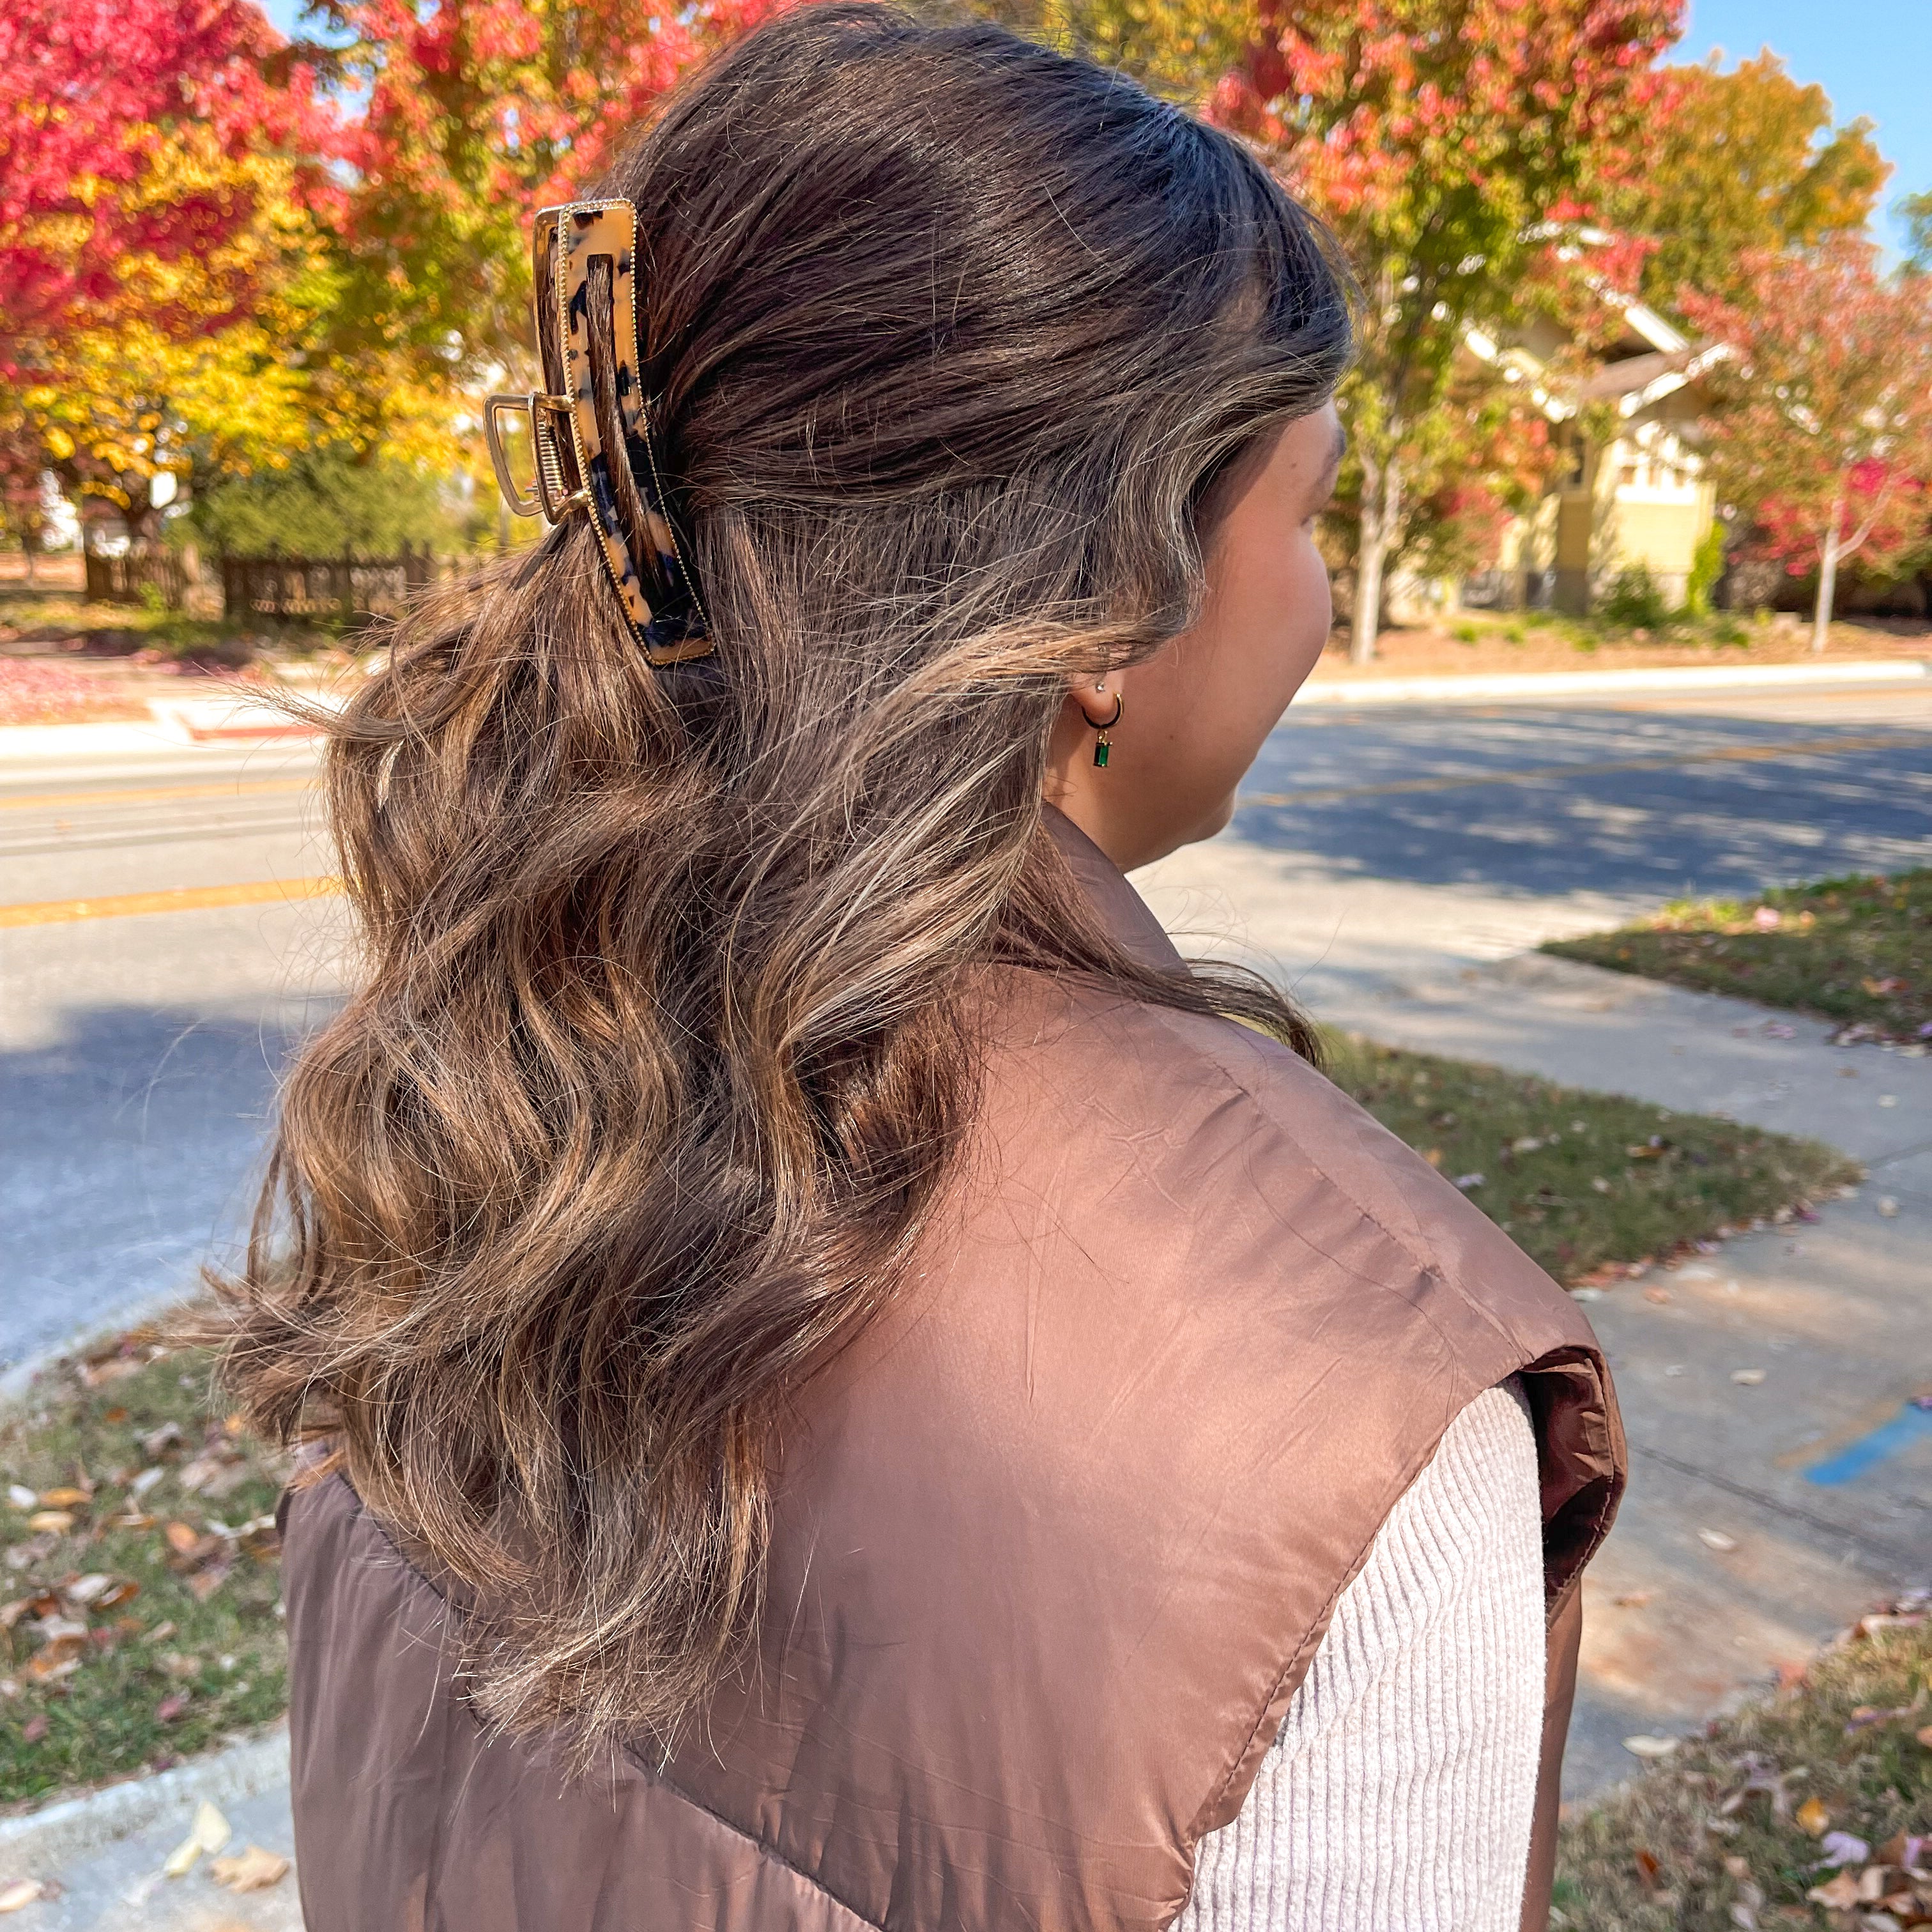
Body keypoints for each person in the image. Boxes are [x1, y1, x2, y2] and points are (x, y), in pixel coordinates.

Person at [218, 8, 1624, 1928]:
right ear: (1119, 601)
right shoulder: (1355, 1416)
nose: (1317, 597)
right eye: (1309, 509)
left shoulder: (484, 1070)